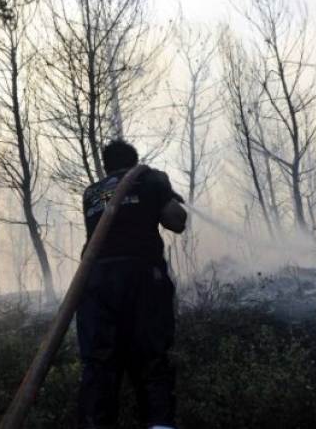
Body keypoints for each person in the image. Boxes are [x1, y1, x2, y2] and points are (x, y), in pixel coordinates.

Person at [76, 139, 187, 429]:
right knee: (151, 361)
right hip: (141, 279)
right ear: (134, 162)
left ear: (106, 166)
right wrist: (162, 185)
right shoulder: (150, 181)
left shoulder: (91, 193)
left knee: (99, 368)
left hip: (95, 284)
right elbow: (177, 221)